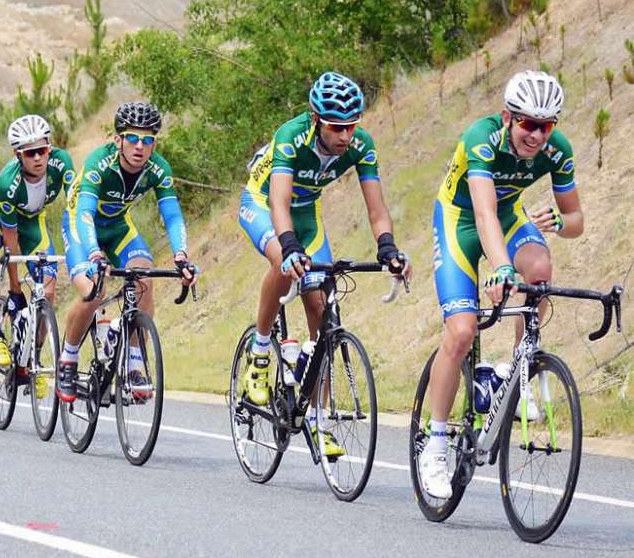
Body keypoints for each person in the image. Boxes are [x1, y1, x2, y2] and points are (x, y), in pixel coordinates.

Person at [418, 70, 580, 499]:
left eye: (546, 126)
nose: (537, 135)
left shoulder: (556, 150)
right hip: (460, 222)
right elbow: (484, 213)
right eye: (528, 123)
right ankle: (434, 443)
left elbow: (577, 221)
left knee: (541, 271)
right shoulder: (482, 137)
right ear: (508, 117)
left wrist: (560, 222)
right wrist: (502, 268)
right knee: (462, 330)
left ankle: (517, 371)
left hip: (509, 217)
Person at [238, 71, 410, 456]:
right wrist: (289, 246)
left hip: (307, 213)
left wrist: (388, 247)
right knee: (284, 263)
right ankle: (262, 348)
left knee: (322, 310)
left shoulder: (361, 145)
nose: (345, 137)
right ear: (316, 119)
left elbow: (377, 208)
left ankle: (316, 416)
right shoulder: (291, 136)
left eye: (352, 127)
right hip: (264, 206)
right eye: (337, 127)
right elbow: (278, 203)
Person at [57, 101, 198, 402]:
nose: (140, 146)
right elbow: (83, 212)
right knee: (93, 291)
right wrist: (94, 254)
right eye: (132, 138)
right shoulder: (100, 163)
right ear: (118, 139)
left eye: (148, 140)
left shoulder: (158, 169)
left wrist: (181, 255)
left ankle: (135, 362)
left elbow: (172, 215)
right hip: (81, 225)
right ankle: (67, 360)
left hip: (118, 226)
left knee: (143, 271)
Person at [0, 114, 74, 373]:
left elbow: (76, 202)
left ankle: (34, 356)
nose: (38, 158)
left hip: (32, 222)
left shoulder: (61, 162)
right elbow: (11, 242)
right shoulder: (9, 182)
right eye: (31, 154)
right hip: (0, 218)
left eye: (42, 150)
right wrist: (16, 289)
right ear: (19, 155)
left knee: (47, 293)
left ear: (50, 146)